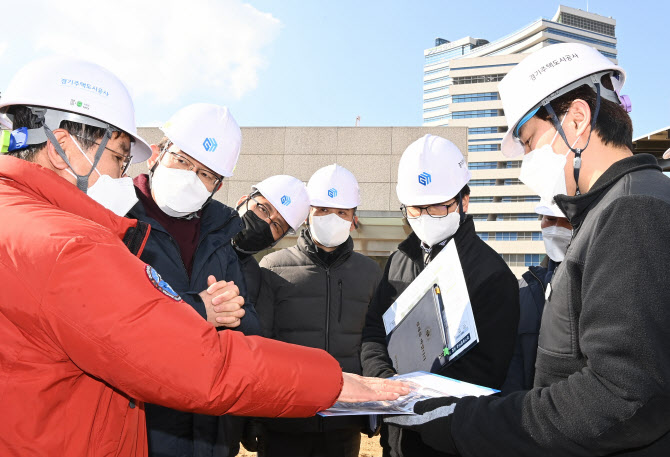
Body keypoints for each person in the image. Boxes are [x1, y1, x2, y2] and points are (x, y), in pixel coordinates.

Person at [0, 57, 409, 456]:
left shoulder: (29, 221)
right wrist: (331, 382)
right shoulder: (76, 241)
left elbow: (242, 330)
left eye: (208, 174)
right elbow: (188, 360)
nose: (120, 173)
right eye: (119, 156)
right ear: (62, 148)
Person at [385, 42, 670, 456]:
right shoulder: (613, 208)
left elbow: (622, 394)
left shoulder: (630, 211)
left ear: (576, 120)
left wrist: (464, 422)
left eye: (530, 141)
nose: (526, 165)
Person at [361, 134, 520, 457]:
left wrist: (417, 395)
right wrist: (387, 382)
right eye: (415, 209)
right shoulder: (398, 261)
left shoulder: (492, 273)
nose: (425, 217)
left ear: (464, 201)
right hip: (397, 440)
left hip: (451, 441)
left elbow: (487, 371)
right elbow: (373, 334)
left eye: (438, 206)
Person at [126, 103, 262, 457]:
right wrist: (199, 309)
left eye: (206, 174)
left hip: (208, 430)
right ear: (157, 153)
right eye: (183, 161)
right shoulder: (116, 218)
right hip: (138, 427)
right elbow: (111, 319)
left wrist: (236, 316)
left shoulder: (220, 234)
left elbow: (248, 323)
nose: (191, 178)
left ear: (217, 185)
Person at [255, 164, 382, 457]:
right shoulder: (273, 268)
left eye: (342, 212)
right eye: (323, 209)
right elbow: (260, 345)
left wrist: (372, 410)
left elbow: (373, 342)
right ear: (307, 214)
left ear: (354, 219)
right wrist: (253, 419)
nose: (331, 218)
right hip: (284, 420)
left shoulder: (369, 273)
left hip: (343, 421)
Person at [232, 175, 311, 454]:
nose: (265, 223)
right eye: (263, 209)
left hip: (220, 421)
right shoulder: (193, 238)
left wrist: (251, 417)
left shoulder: (255, 277)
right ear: (243, 201)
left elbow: (256, 347)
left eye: (277, 225)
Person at [501, 200, 572, 394]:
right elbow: (511, 364)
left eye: (566, 220)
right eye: (549, 219)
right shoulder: (523, 288)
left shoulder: (596, 283)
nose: (556, 228)